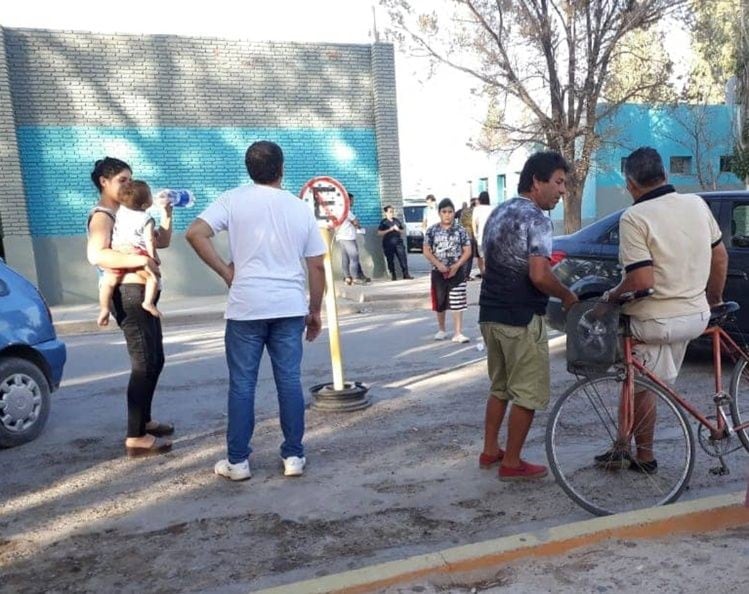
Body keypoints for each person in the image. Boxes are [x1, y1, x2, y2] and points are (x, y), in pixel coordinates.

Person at [186, 140, 326, 481]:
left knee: (242, 385)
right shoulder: (299, 208)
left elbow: (195, 233)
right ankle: (293, 456)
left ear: (249, 169)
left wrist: (225, 271)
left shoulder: (232, 200)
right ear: (281, 169)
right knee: (289, 382)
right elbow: (317, 267)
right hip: (288, 306)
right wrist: (314, 311)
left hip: (246, 305)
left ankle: (238, 462)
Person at [594, 147, 727, 474]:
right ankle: (624, 443)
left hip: (656, 321)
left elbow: (640, 278)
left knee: (638, 382)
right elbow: (721, 257)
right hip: (696, 317)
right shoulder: (696, 203)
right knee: (647, 377)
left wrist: (611, 295)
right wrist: (714, 298)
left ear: (630, 185)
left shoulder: (634, 217)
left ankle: (645, 455)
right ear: (665, 174)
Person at [479, 151, 578, 480]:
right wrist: (565, 294)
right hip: (520, 318)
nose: (562, 191)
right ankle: (512, 463)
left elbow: (486, 264)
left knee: (500, 386)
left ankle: (491, 450)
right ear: (536, 181)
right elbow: (538, 274)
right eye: (558, 182)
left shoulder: (498, 212)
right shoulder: (537, 219)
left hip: (489, 316)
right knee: (526, 392)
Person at [86, 157, 174, 458]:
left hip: (142, 290)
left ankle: (145, 420)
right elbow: (98, 255)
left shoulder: (131, 213)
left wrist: (166, 216)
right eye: (122, 179)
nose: (128, 184)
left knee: (156, 359)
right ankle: (135, 437)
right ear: (104, 182)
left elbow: (161, 241)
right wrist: (141, 260)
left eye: (130, 179)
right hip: (127, 293)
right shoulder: (103, 215)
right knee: (143, 362)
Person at [98, 180, 161, 326]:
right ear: (145, 205)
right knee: (153, 278)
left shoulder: (119, 213)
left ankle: (104, 309)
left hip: (119, 252)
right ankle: (148, 302)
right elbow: (149, 240)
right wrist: (153, 257)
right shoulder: (147, 218)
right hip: (138, 254)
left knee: (108, 282)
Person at [423, 198, 472, 343]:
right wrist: (438, 264)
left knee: (457, 302)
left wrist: (456, 266)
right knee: (440, 301)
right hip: (438, 272)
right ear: (439, 213)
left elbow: (467, 251)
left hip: (457, 272)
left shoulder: (460, 230)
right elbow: (426, 250)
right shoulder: (432, 230)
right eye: (444, 212)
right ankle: (442, 329)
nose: (447, 215)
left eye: (450, 212)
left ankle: (458, 332)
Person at [335, 192, 370, 285]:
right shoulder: (346, 210)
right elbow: (355, 222)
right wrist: (358, 226)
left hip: (340, 237)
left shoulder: (339, 210)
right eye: (352, 200)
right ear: (348, 200)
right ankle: (355, 278)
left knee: (345, 258)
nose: (353, 202)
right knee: (354, 257)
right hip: (348, 237)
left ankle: (347, 278)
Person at [377, 205, 413, 281]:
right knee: (390, 259)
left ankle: (406, 274)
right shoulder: (383, 222)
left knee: (403, 258)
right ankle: (393, 275)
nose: (392, 213)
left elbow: (403, 231)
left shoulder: (396, 221)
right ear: (386, 213)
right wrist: (389, 230)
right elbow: (379, 233)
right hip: (388, 244)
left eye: (392, 212)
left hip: (398, 243)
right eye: (390, 212)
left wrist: (398, 230)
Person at [472, 191, 493, 277]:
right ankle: (489, 272)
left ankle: (483, 272)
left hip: (480, 236)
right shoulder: (493, 208)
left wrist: (475, 234)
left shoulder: (477, 209)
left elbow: (474, 223)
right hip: (492, 236)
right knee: (490, 256)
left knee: (481, 256)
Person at [459, 198, 476, 280]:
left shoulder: (463, 212)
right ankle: (466, 275)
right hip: (470, 235)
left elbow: (460, 223)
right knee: (469, 256)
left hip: (463, 235)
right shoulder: (473, 212)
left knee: (465, 255)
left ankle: (464, 274)